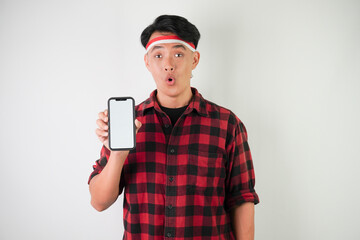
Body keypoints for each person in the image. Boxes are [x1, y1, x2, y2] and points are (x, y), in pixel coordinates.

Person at [88, 15, 259, 240]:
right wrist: (118, 154)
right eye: (158, 55)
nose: (168, 64)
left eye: (178, 54)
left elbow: (241, 198)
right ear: (147, 62)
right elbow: (99, 202)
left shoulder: (227, 124)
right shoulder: (127, 124)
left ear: (195, 60)